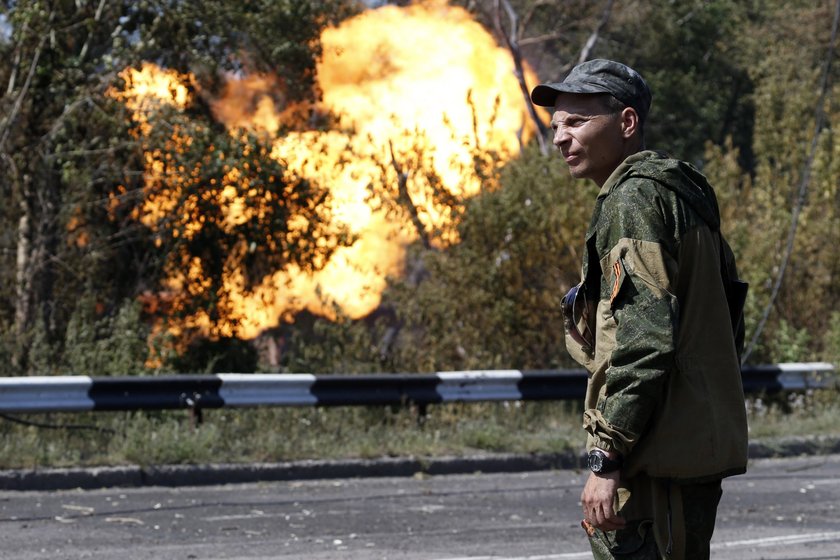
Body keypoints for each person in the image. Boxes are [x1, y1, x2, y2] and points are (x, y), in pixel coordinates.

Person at [530, 59, 749, 559]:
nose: (561, 138)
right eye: (557, 125)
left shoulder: (632, 199)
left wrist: (606, 457)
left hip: (656, 458)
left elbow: (645, 339)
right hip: (688, 446)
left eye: (578, 121)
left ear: (626, 123)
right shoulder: (680, 194)